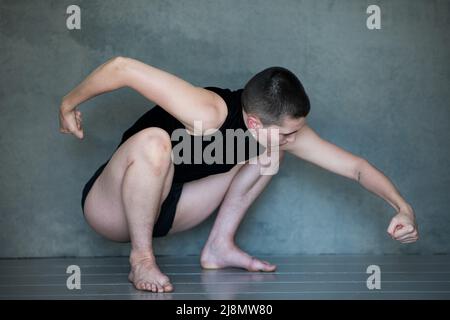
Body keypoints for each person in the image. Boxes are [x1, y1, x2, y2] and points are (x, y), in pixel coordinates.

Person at [59, 57, 419, 293]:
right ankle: (141, 260)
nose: (294, 139)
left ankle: (219, 246)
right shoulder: (207, 110)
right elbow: (123, 67)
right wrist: (68, 104)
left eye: (296, 131)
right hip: (113, 207)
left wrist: (402, 208)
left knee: (270, 156)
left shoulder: (279, 133)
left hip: (170, 208)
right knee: (155, 142)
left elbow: (356, 167)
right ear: (253, 121)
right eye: (287, 132)